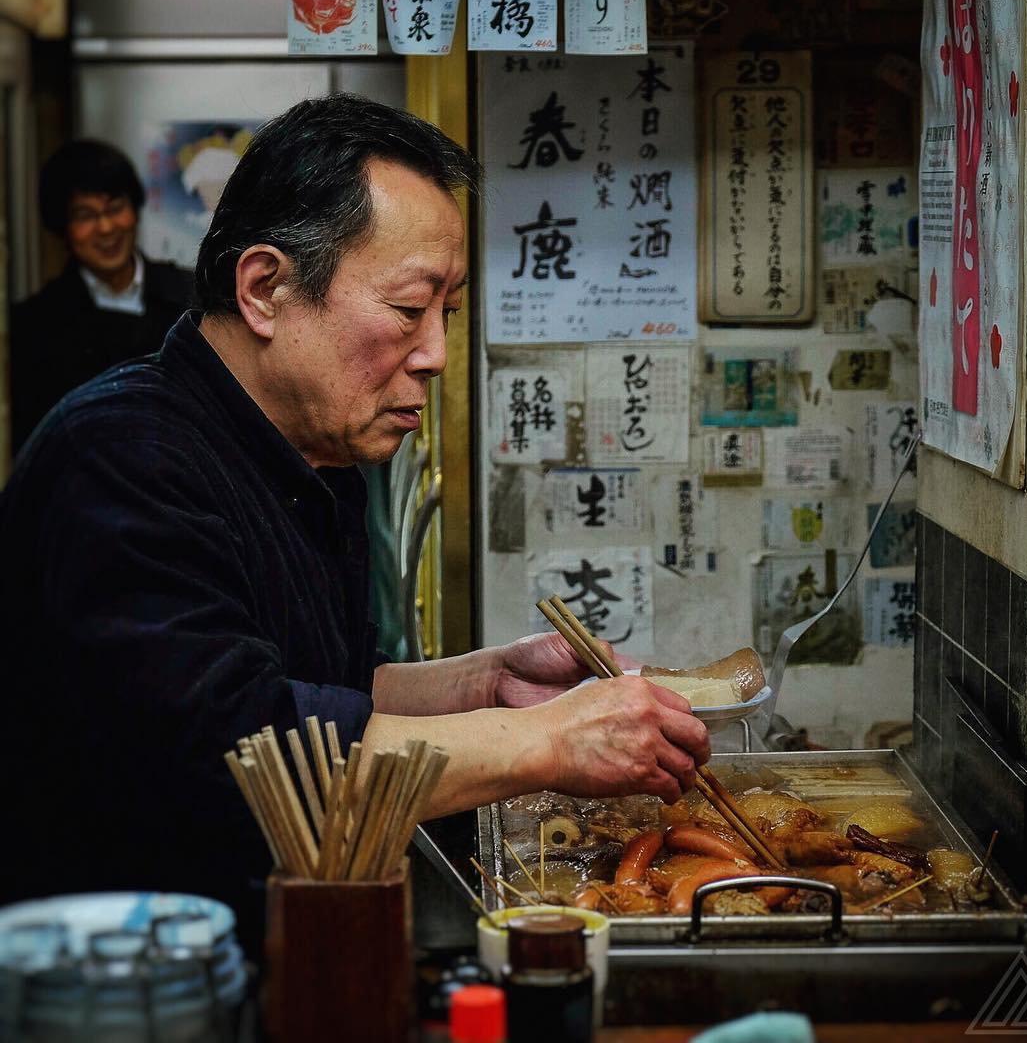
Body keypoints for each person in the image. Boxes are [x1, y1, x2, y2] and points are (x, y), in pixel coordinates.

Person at [0, 96, 708, 948]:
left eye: (445, 314)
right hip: (133, 977)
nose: (437, 355)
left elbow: (322, 683)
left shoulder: (312, 452)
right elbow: (244, 750)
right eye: (409, 310)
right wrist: (545, 741)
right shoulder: (116, 456)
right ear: (266, 288)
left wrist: (482, 683)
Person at [9, 139, 192, 453]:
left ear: (134, 211)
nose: (106, 227)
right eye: (85, 215)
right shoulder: (34, 325)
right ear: (62, 228)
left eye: (115, 208)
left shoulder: (193, 297)